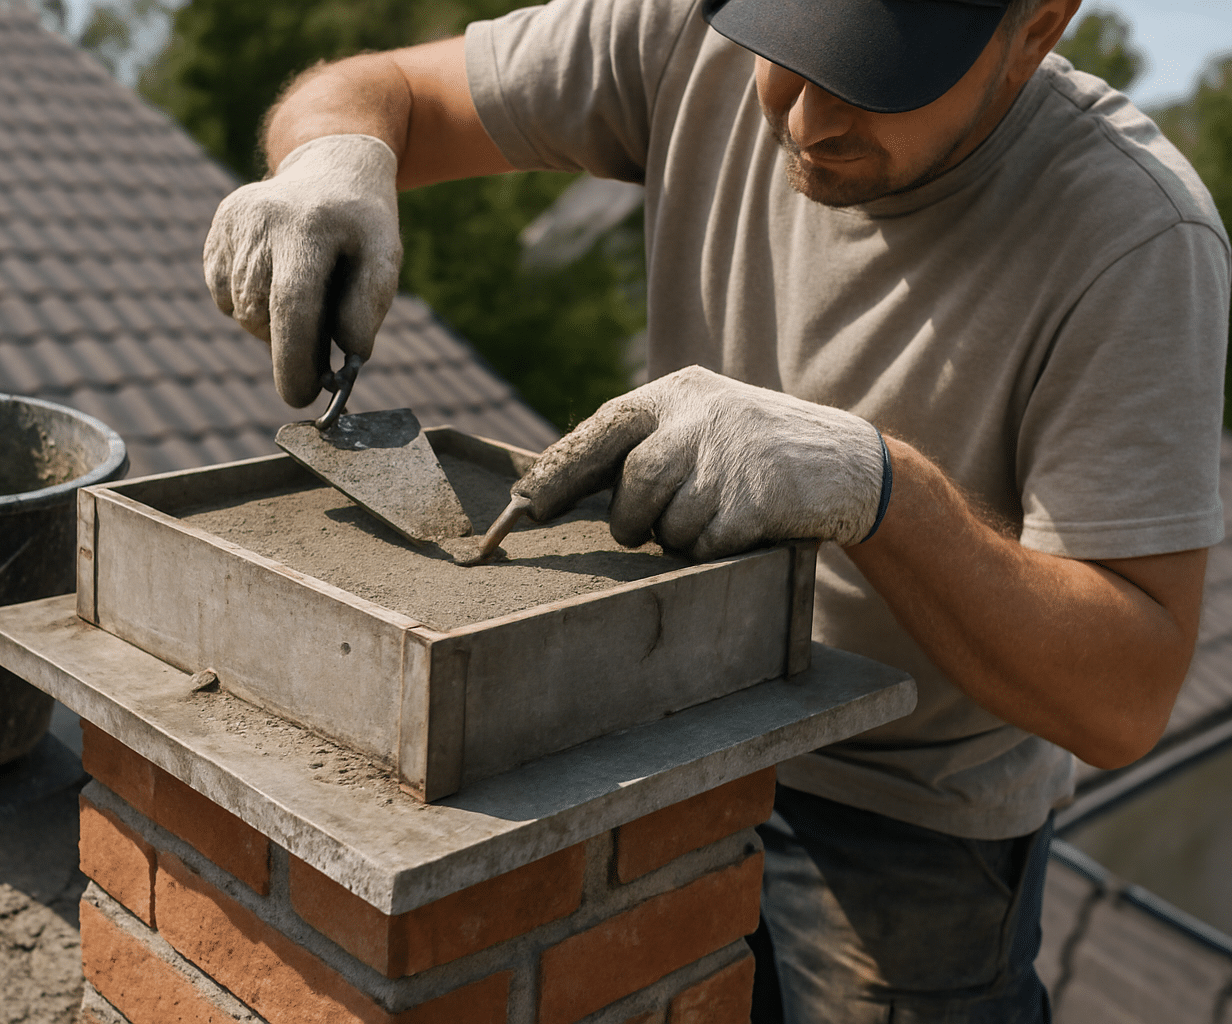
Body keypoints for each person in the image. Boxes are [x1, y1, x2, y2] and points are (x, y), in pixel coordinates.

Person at [202, 0, 1231, 1019]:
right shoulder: (685, 26)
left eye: (875, 78)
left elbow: (1125, 695)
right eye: (787, 51)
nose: (802, 118)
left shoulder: (1137, 236)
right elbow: (382, 91)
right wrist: (333, 159)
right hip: (669, 711)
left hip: (904, 826)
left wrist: (878, 489)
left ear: (1037, 29)